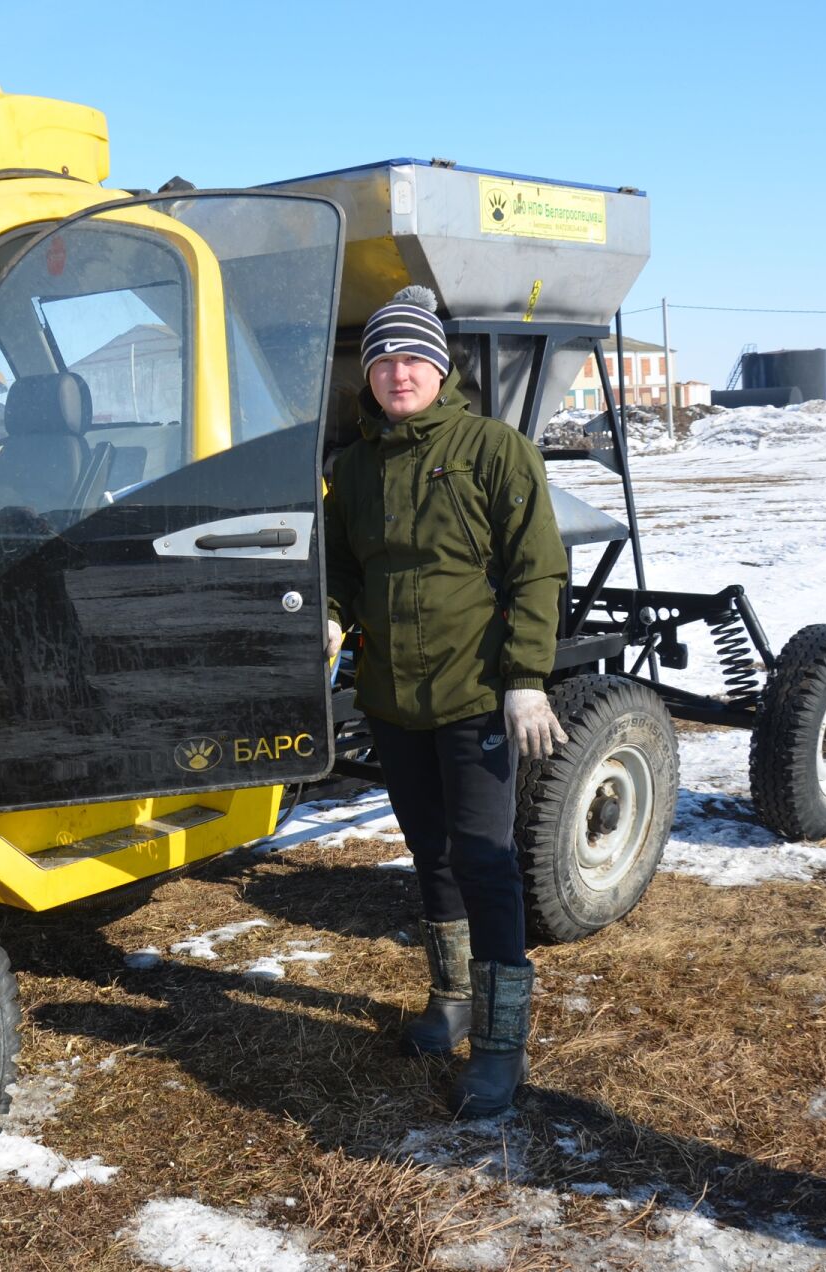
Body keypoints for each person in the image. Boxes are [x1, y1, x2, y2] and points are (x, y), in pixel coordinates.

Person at [323, 285, 569, 1118]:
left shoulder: (494, 450)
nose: (400, 372)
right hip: (394, 700)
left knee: (486, 862)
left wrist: (526, 678)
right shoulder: (351, 468)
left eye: (414, 357)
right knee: (430, 854)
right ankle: (452, 1000)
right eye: (384, 359)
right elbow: (346, 573)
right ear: (369, 374)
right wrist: (329, 617)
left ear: (441, 367)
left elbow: (539, 568)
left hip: (475, 695)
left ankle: (501, 1045)